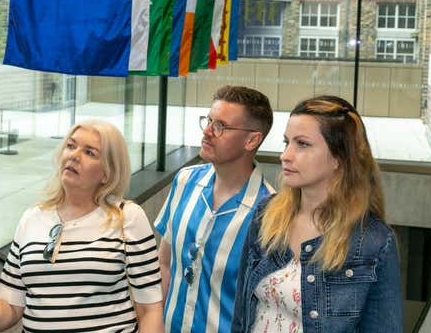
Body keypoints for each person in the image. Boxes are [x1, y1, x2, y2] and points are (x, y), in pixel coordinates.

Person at [0, 120, 164, 333]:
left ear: (107, 173)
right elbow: (11, 305)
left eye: (90, 152)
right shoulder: (31, 219)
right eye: (71, 146)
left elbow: (150, 311)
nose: (74, 155)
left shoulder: (128, 218)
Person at [231, 95, 403, 333]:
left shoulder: (374, 242)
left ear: (338, 158)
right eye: (286, 142)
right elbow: (241, 316)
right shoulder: (266, 214)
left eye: (302, 144)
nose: (286, 155)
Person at [155, 85, 275, 333]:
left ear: (252, 140)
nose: (207, 132)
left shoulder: (270, 212)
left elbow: (267, 306)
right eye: (208, 121)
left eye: (220, 126)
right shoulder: (185, 181)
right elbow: (164, 264)